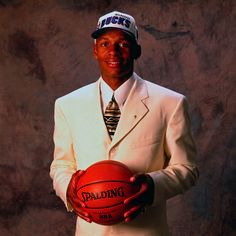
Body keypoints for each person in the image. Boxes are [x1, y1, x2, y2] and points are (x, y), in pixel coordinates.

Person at [50, 11, 199, 236]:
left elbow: (187, 168)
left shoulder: (171, 103)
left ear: (137, 50)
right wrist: (68, 188)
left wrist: (153, 186)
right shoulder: (67, 104)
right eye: (105, 43)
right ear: (95, 51)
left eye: (123, 43)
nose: (113, 51)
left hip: (146, 230)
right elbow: (60, 165)